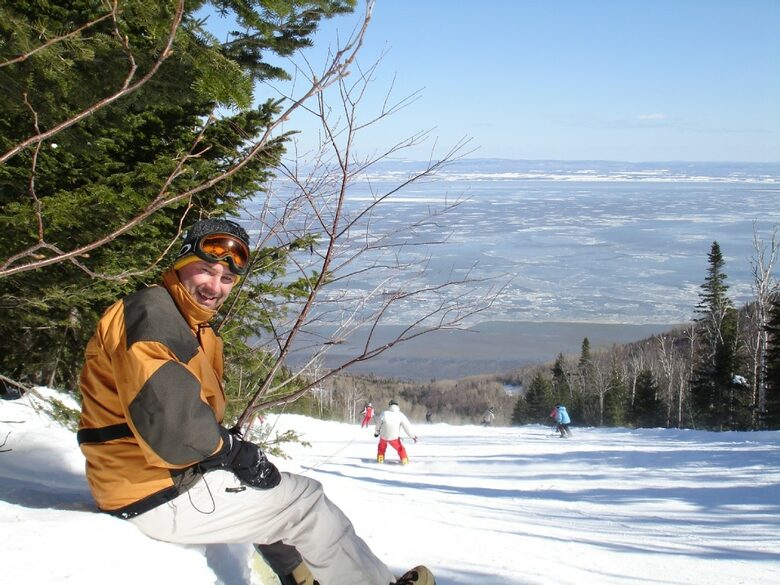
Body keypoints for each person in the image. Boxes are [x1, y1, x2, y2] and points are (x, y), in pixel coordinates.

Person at [77, 218, 434, 585]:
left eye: (227, 279)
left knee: (274, 488)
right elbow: (173, 427)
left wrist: (225, 449)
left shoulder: (190, 324)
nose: (215, 286)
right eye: (206, 271)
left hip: (151, 478)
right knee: (306, 503)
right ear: (182, 264)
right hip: (153, 489)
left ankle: (301, 575)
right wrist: (227, 449)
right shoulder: (152, 315)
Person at [374, 399, 417, 464]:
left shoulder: (384, 413)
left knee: (381, 447)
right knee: (400, 448)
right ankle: (404, 459)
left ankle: (380, 457)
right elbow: (407, 426)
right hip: (394, 437)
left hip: (383, 436)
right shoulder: (400, 415)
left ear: (390, 406)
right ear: (397, 406)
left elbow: (378, 424)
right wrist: (412, 436)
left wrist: (376, 432)